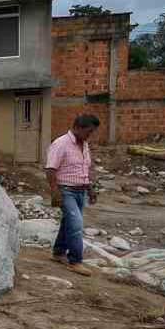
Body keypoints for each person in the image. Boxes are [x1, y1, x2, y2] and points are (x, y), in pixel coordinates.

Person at [45, 114, 100, 276]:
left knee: (68, 222)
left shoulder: (84, 144)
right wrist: (55, 193)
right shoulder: (61, 144)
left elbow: (83, 169)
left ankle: (58, 252)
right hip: (65, 190)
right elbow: (50, 169)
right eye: (88, 132)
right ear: (77, 128)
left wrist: (90, 188)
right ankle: (75, 261)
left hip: (80, 191)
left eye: (92, 133)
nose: (90, 136)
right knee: (76, 224)